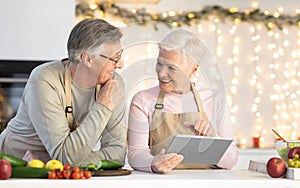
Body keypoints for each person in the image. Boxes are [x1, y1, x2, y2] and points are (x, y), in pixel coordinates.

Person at [0, 18, 127, 166]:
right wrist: (103, 106)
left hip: (55, 169)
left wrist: (69, 160)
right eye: (115, 59)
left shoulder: (112, 83)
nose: (120, 65)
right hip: (14, 167)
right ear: (87, 59)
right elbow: (65, 158)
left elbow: (117, 154)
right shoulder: (45, 79)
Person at [127, 29, 238, 174]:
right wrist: (153, 163)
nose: (161, 73)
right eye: (159, 63)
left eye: (171, 68)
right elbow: (135, 153)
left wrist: (213, 140)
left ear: (193, 70)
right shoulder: (143, 100)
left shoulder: (214, 99)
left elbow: (232, 159)